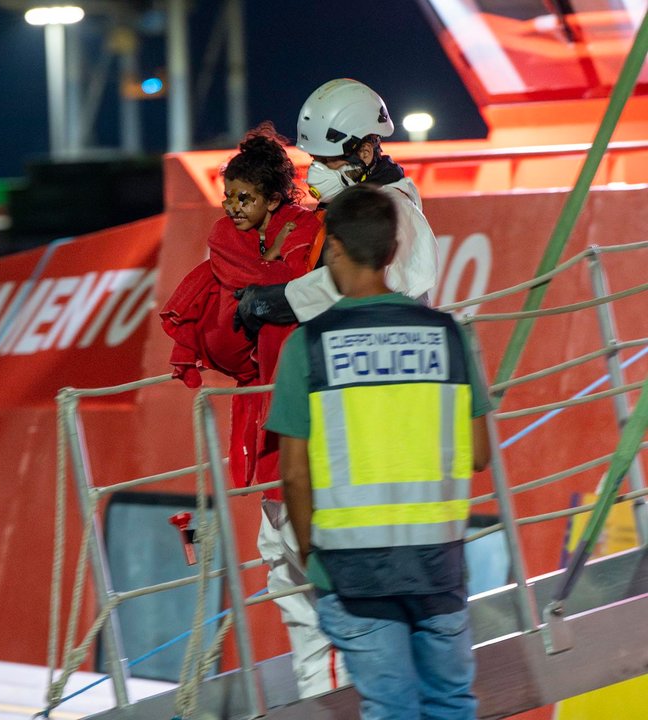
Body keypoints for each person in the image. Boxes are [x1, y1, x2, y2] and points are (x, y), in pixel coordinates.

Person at [266, 184, 491, 719]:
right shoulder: (448, 335)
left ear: (335, 249)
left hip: (353, 572)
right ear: (393, 252)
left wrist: (309, 555)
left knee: (390, 708)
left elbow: (294, 475)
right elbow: (478, 454)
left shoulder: (309, 345)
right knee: (451, 703)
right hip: (437, 565)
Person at [160, 124, 342, 697]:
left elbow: (284, 290)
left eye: (245, 199)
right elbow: (256, 291)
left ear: (274, 197)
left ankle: (340, 697)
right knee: (284, 565)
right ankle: (320, 697)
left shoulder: (307, 232)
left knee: (306, 557)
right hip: (261, 401)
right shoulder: (233, 239)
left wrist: (259, 298)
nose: (233, 209)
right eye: (229, 196)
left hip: (296, 406)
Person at [235, 78, 439, 335]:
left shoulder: (396, 209)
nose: (315, 171)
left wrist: (279, 300)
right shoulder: (345, 207)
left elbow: (358, 279)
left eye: (327, 161)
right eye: (314, 159)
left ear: (364, 153)